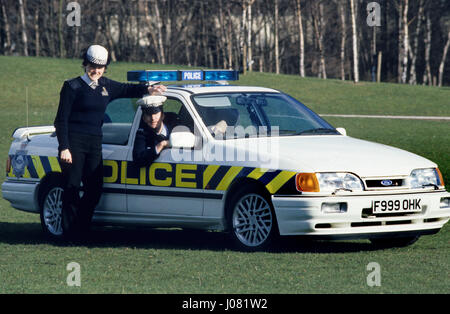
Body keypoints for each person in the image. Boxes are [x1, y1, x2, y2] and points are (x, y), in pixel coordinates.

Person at [54, 44, 166, 239]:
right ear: (85, 64)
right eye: (92, 66)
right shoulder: (72, 87)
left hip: (94, 142)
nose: (95, 71)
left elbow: (126, 89)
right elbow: (60, 120)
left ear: (105, 67)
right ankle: (69, 235)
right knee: (72, 187)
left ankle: (81, 230)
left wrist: (149, 89)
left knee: (94, 190)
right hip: (74, 143)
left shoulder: (106, 86)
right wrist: (64, 147)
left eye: (100, 67)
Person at [133, 96, 178, 167]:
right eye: (149, 115)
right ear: (144, 119)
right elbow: (138, 160)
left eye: (156, 114)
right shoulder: (142, 134)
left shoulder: (175, 129)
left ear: (162, 116)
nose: (153, 118)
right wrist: (162, 144)